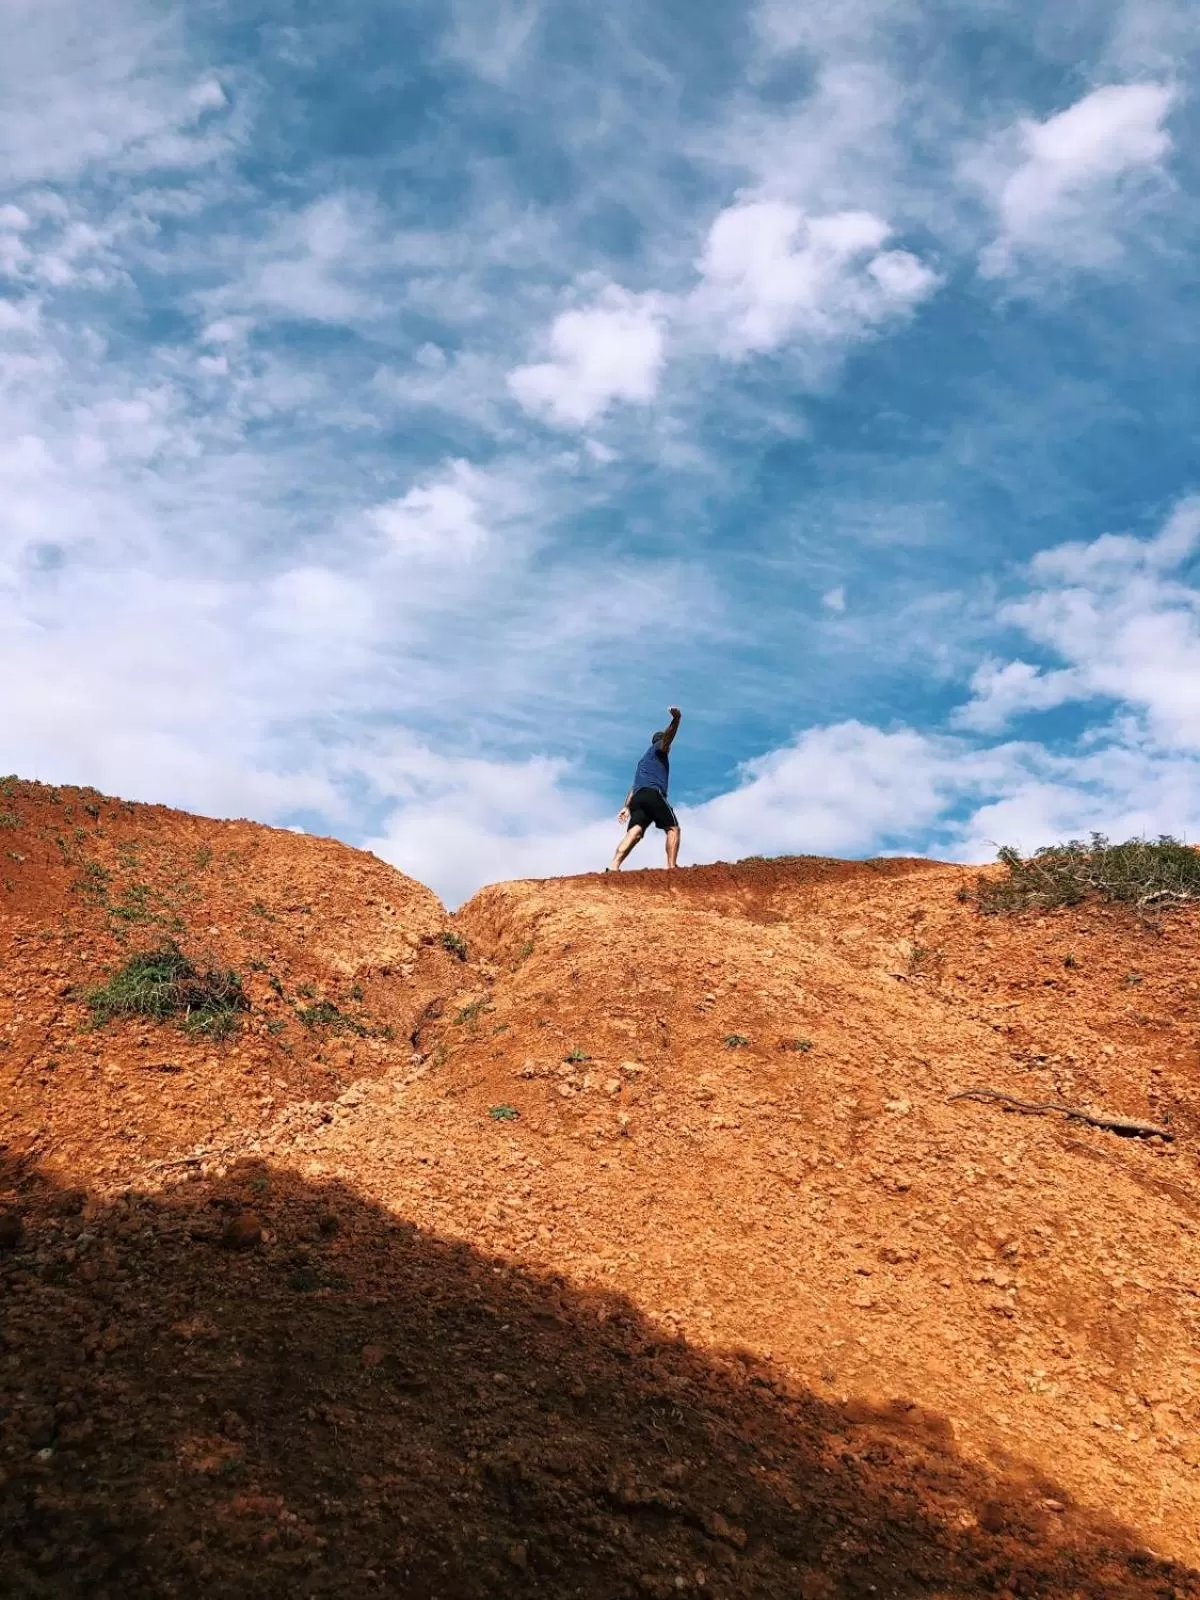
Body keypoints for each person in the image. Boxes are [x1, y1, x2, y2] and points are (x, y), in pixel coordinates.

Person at [607, 706, 682, 871]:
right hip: (652, 794)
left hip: (638, 798)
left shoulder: (643, 761)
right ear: (661, 741)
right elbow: (668, 738)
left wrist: (626, 807)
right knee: (673, 828)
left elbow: (633, 788)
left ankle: (613, 866)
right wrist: (676, 719)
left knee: (635, 832)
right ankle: (671, 867)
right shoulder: (658, 750)